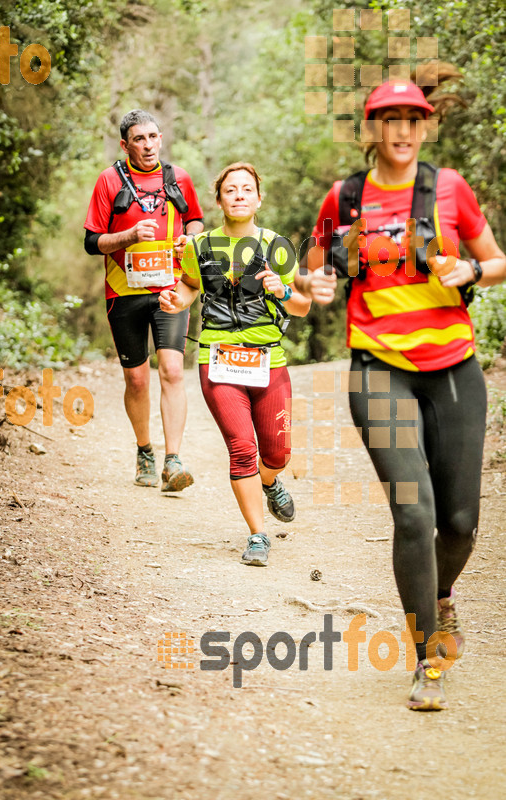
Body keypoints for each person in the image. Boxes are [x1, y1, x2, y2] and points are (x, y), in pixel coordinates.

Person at [295, 66, 506, 709]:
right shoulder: (346, 199)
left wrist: (469, 268)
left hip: (454, 369)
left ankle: (440, 598)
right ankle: (426, 661)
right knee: (414, 513)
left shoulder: (451, 191)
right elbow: (313, 269)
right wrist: (316, 285)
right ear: (375, 129)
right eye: (391, 121)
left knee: (462, 522)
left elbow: (496, 262)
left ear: (424, 125)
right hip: (378, 369)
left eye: (413, 121)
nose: (403, 131)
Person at [159, 162, 311, 565]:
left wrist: (282, 289)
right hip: (218, 360)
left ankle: (271, 479)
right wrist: (176, 300)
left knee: (277, 452)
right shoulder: (200, 245)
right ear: (220, 199)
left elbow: (303, 304)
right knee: (242, 448)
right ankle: (258, 536)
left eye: (247, 189)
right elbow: (190, 285)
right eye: (231, 189)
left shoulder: (278, 246)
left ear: (259, 198)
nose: (240, 195)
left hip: (268, 360)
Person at [84, 109, 204, 491]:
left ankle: (173, 460)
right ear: (125, 144)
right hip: (123, 292)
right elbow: (91, 242)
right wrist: (129, 236)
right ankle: (145, 450)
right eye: (140, 139)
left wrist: (191, 238)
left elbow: (196, 220)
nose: (149, 145)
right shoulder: (109, 181)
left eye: (154, 137)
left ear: (161, 138)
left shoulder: (178, 178)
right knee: (137, 380)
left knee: (171, 370)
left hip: (170, 289)